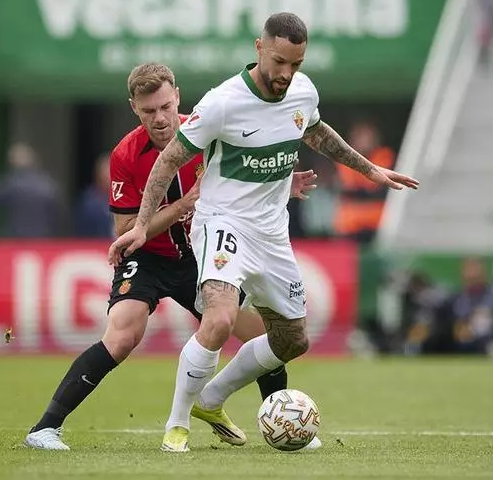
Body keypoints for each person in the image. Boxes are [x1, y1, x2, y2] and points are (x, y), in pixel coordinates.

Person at [109, 12, 418, 452]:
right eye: (279, 62)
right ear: (259, 48)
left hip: (272, 233)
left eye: (296, 64)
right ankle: (176, 425)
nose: (286, 74)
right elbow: (168, 160)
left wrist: (369, 170)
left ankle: (211, 398)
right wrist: (141, 225)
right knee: (218, 319)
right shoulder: (223, 102)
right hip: (222, 224)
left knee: (293, 340)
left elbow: (316, 132)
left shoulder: (303, 91)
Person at [24, 63, 319, 451]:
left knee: (260, 332)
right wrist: (184, 203)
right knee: (124, 334)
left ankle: (279, 417)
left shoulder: (208, 128)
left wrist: (280, 186)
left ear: (177, 95)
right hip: (150, 257)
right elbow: (125, 230)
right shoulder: (125, 155)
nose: (160, 118)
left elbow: (249, 173)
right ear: (134, 108)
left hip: (200, 254)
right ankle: (45, 428)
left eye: (165, 106)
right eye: (149, 111)